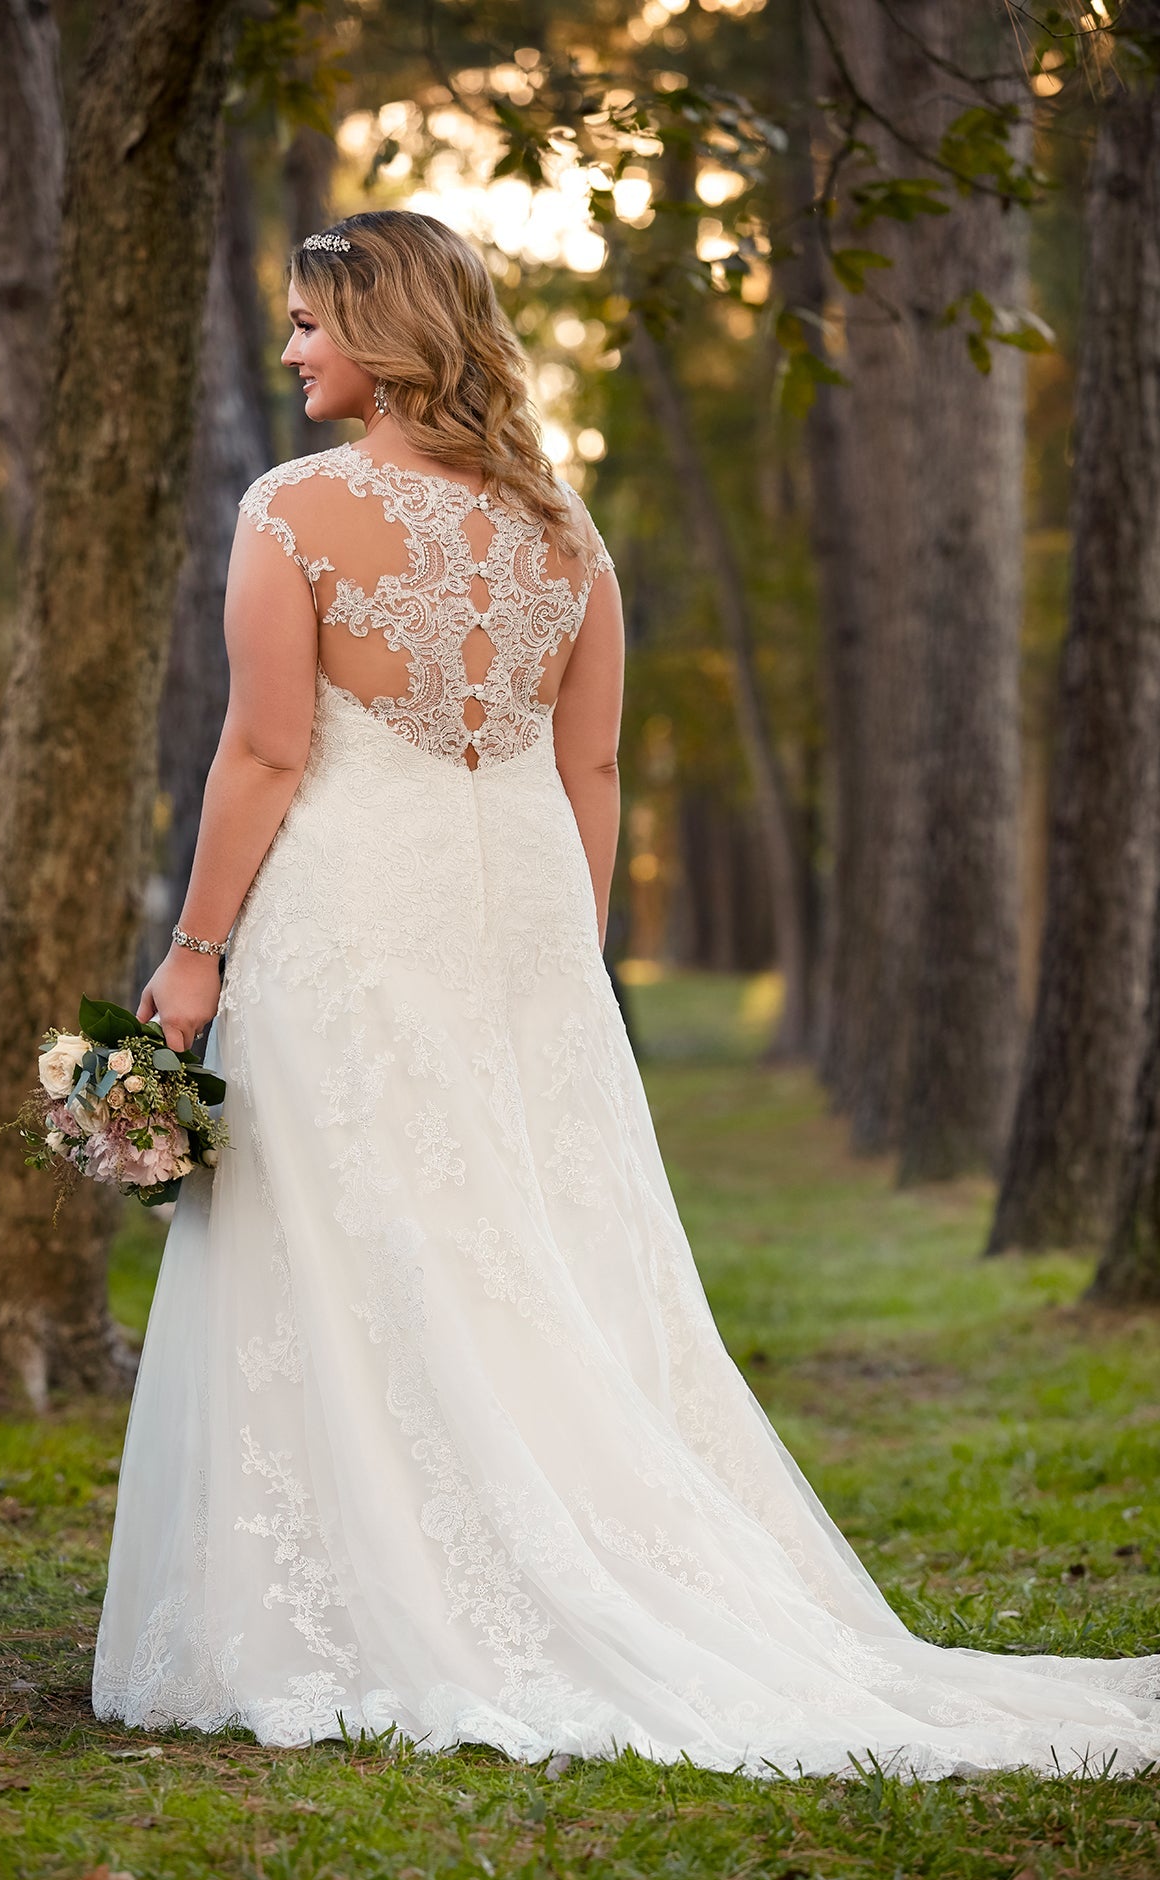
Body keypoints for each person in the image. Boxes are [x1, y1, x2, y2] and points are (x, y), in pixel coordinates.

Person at [92, 209, 1160, 1776]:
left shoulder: (297, 510)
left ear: (386, 332)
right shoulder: (563, 529)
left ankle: (358, 1589)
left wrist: (193, 949)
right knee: (530, 1236)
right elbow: (584, 763)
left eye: (314, 322)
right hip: (524, 921)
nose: (297, 348)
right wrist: (559, 958)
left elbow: (264, 750)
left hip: (354, 912)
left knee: (355, 1226)